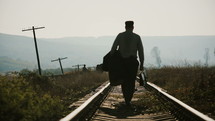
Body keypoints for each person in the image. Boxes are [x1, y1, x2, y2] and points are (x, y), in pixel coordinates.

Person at [110, 21, 144, 106]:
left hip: (122, 62)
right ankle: (129, 99)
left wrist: (112, 61)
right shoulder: (137, 37)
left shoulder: (120, 36)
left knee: (123, 80)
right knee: (131, 81)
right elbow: (140, 51)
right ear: (133, 27)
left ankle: (126, 99)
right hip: (132, 62)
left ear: (125, 27)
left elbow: (113, 49)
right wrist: (142, 63)